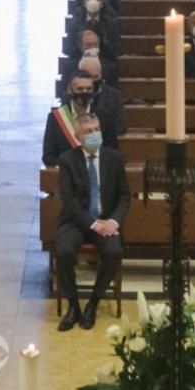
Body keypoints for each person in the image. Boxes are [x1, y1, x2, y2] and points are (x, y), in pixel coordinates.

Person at [52, 113, 128, 332]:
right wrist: (93, 224)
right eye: (88, 131)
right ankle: (74, 306)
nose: (94, 134)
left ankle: (93, 303)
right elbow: (69, 200)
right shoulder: (68, 160)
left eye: (96, 129)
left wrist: (113, 221)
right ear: (78, 136)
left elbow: (124, 196)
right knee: (64, 250)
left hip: (106, 221)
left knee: (113, 251)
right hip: (76, 221)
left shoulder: (114, 158)